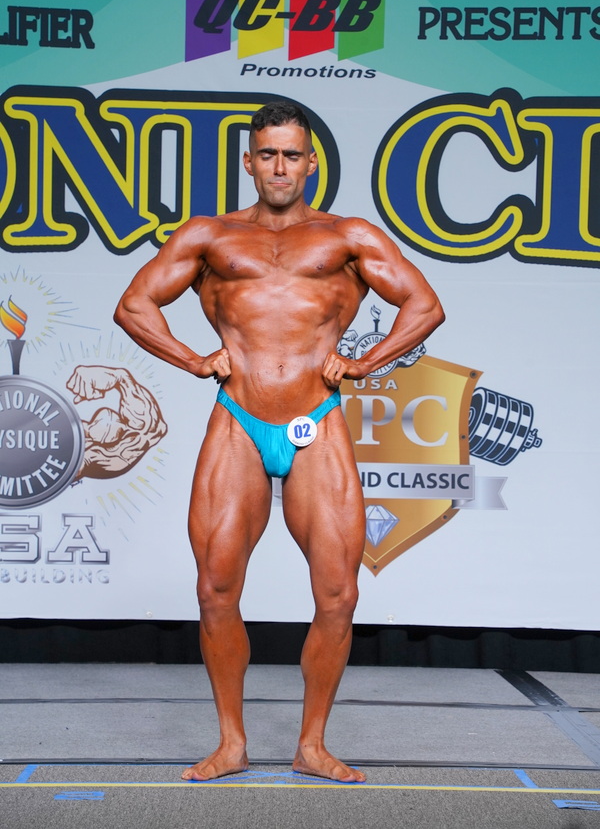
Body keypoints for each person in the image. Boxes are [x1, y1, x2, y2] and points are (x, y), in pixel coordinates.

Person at [114, 100, 444, 783]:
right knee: (216, 588)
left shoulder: (347, 236)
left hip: (317, 419)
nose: (280, 167)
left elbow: (425, 304)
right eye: (268, 154)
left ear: (311, 162)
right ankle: (231, 743)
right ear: (249, 161)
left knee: (338, 595)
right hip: (236, 417)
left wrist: (366, 362)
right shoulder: (210, 235)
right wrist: (193, 359)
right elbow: (134, 304)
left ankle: (312, 745)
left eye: (292, 154)